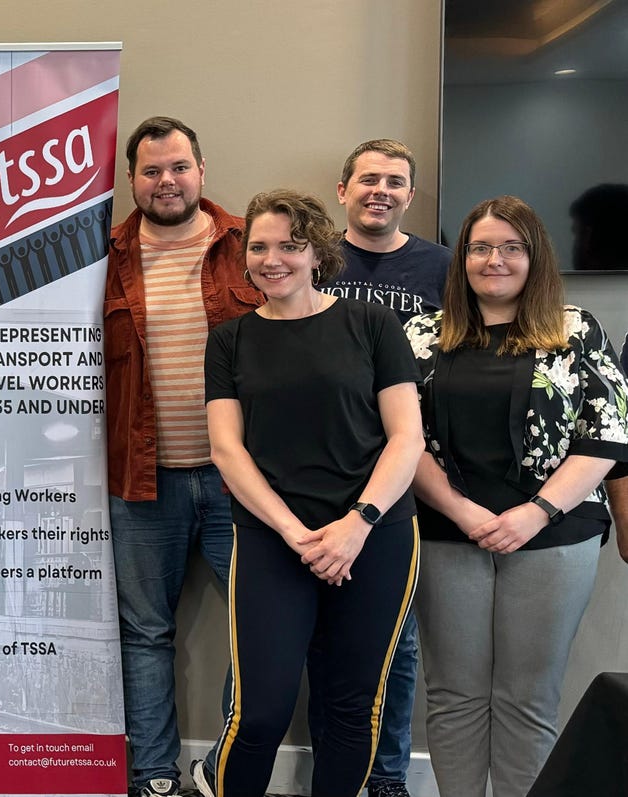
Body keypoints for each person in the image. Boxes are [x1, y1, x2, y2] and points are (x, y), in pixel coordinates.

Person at [198, 189, 423, 797]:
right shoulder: (229, 340)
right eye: (259, 247)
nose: (273, 260)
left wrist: (358, 522)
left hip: (375, 535)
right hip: (274, 538)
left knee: (351, 710)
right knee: (259, 713)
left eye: (290, 246)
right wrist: (294, 533)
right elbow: (227, 450)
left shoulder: (372, 324)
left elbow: (407, 437)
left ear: (318, 253)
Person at [404, 195, 628, 797]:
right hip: (447, 532)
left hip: (554, 535)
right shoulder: (421, 335)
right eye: (480, 247)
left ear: (536, 257)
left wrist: (536, 512)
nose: (494, 259)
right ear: (462, 258)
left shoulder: (576, 329)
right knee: (453, 695)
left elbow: (607, 434)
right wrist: (461, 510)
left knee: (528, 698)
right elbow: (402, 439)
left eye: (511, 247)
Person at [104, 116, 257, 797]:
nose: (166, 181)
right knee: (145, 633)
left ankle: (226, 764)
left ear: (201, 170)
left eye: (178, 167)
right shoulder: (103, 258)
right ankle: (155, 775)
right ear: (131, 178)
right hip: (141, 481)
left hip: (241, 480)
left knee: (260, 623)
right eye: (151, 170)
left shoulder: (250, 246)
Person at [319, 137, 450, 797]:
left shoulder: (443, 267)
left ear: (411, 195)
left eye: (395, 182)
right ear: (343, 190)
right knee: (300, 632)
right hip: (317, 471)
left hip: (407, 475)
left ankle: (388, 775)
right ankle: (326, 770)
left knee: (397, 640)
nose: (381, 191)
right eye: (369, 179)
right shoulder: (311, 258)